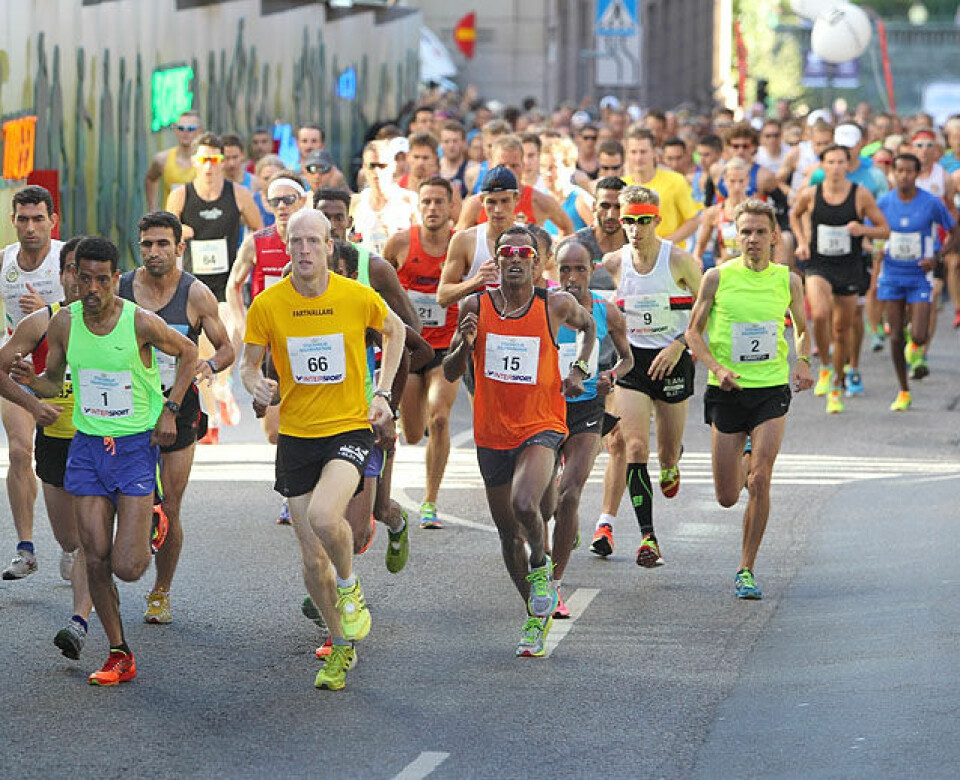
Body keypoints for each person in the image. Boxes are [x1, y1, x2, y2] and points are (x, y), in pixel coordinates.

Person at [12, 236, 199, 685]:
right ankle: (119, 652)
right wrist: (31, 382)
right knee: (92, 556)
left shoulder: (139, 322)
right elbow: (54, 383)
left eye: (102, 279)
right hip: (88, 447)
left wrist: (171, 410)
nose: (91, 288)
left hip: (135, 447)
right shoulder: (64, 324)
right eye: (84, 278)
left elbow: (190, 352)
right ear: (72, 277)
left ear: (117, 279)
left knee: (128, 568)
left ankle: (154, 512)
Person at [240, 209, 405, 690]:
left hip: (348, 429)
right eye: (297, 242)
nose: (305, 250)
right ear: (286, 247)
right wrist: (257, 384)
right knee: (312, 561)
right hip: (297, 434)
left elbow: (395, 334)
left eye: (314, 241)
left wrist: (383, 393)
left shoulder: (355, 296)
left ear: (331, 246)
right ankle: (341, 645)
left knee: (324, 516)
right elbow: (249, 365)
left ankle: (350, 587)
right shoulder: (268, 304)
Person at [442, 224, 596, 658]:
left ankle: (542, 565)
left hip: (541, 425)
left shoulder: (556, 304)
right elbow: (451, 372)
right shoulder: (475, 305)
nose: (514, 258)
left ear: (535, 261)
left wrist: (580, 370)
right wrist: (463, 345)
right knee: (508, 532)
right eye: (505, 251)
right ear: (495, 259)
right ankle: (533, 615)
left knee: (526, 505)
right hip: (492, 431)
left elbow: (589, 330)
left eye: (523, 253)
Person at [685, 199, 813, 600]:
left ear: (774, 236)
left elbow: (803, 329)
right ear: (734, 236)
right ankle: (744, 452)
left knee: (759, 479)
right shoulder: (716, 278)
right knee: (727, 496)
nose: (753, 239)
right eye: (746, 232)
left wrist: (804, 361)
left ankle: (746, 569)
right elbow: (692, 333)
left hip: (771, 389)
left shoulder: (788, 280)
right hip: (727, 391)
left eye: (761, 232)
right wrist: (717, 369)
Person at [120, 211, 235, 623]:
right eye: (147, 243)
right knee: (128, 502)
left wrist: (209, 366)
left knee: (169, 506)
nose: (154, 252)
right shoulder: (121, 289)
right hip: (126, 410)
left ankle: (160, 591)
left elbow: (225, 347)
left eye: (162, 244)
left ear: (179, 248)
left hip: (179, 408)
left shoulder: (196, 294)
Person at [588, 186, 702, 566]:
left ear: (657, 220)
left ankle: (672, 462)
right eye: (628, 221)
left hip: (672, 360)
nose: (635, 229)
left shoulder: (680, 261)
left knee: (665, 453)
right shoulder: (613, 262)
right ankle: (647, 538)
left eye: (642, 221)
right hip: (633, 362)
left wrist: (680, 346)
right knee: (634, 447)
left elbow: (709, 312)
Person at [0, 236, 93, 659]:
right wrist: (34, 403)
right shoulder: (40, 322)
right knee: (71, 539)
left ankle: (81, 621)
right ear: (63, 275)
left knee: (95, 543)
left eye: (92, 273)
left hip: (102, 441)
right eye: (74, 271)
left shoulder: (124, 320)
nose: (82, 280)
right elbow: (4, 370)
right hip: (56, 440)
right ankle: (63, 553)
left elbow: (172, 357)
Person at [540, 239, 632, 617]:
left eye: (579, 269)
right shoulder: (542, 307)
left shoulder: (606, 312)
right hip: (545, 413)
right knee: (541, 505)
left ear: (592, 270)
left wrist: (611, 374)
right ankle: (561, 534)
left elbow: (627, 360)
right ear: (553, 270)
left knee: (569, 494)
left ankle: (554, 584)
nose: (572, 277)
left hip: (587, 411)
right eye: (565, 269)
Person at [165, 132, 263, 441]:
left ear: (223, 161)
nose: (210, 166)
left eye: (215, 159)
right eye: (204, 159)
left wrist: (248, 259)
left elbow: (260, 231)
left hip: (229, 284)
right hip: (195, 284)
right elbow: (164, 234)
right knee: (203, 350)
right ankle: (212, 420)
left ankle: (224, 386)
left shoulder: (238, 194)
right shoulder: (181, 195)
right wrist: (180, 231)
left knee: (232, 338)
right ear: (194, 161)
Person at [228, 173, 309, 524]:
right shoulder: (256, 243)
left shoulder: (314, 240)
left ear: (303, 202)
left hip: (310, 342)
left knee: (310, 419)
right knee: (275, 430)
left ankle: (296, 492)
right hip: (272, 347)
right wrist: (246, 327)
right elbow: (234, 286)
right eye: (275, 201)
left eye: (288, 199)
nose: (281, 207)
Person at [791, 144, 889, 413]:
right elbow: (794, 214)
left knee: (841, 330)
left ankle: (837, 381)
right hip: (819, 264)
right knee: (820, 315)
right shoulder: (811, 193)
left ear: (848, 165)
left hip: (849, 266)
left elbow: (884, 230)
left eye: (840, 162)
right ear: (822, 165)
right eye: (830, 162)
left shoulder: (861, 196)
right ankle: (824, 366)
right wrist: (801, 242)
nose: (835, 167)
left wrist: (862, 228)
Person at [384, 177, 459, 529]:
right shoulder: (400, 244)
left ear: (450, 207)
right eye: (426, 201)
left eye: (438, 202)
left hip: (446, 347)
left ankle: (430, 501)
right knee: (413, 434)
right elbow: (378, 284)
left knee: (440, 418)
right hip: (410, 349)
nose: (432, 208)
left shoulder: (460, 245)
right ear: (418, 205)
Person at [1, 185, 64, 580]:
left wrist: (47, 312)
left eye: (38, 218)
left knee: (66, 461)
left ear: (52, 221)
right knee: (21, 453)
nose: (30, 227)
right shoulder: (5, 261)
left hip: (62, 370)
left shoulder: (65, 259)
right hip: (17, 368)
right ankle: (25, 548)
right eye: (22, 219)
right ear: (12, 221)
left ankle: (73, 544)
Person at [873, 153, 958, 409]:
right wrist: (874, 248)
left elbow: (954, 231)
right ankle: (903, 390)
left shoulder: (931, 203)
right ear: (893, 173)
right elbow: (870, 231)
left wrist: (938, 257)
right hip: (892, 275)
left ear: (917, 174)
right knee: (896, 335)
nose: (903, 175)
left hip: (920, 275)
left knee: (919, 335)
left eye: (909, 171)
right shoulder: (884, 202)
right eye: (899, 170)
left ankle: (916, 347)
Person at [622, 128, 700, 244]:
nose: (638, 158)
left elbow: (693, 221)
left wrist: (664, 245)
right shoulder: (622, 186)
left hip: (670, 256)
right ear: (627, 154)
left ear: (654, 152)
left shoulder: (675, 180)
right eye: (633, 152)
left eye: (643, 152)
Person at [350, 140, 419, 255]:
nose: (376, 172)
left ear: (393, 166)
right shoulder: (356, 202)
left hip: (398, 268)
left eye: (382, 165)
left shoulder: (408, 200)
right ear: (364, 168)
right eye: (372, 166)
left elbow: (420, 243)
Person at [145, 111, 201, 211]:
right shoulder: (162, 159)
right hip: (171, 222)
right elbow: (150, 179)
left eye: (191, 129)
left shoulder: (207, 161)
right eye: (181, 128)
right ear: (175, 130)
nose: (185, 132)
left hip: (199, 222)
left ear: (199, 131)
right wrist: (152, 208)